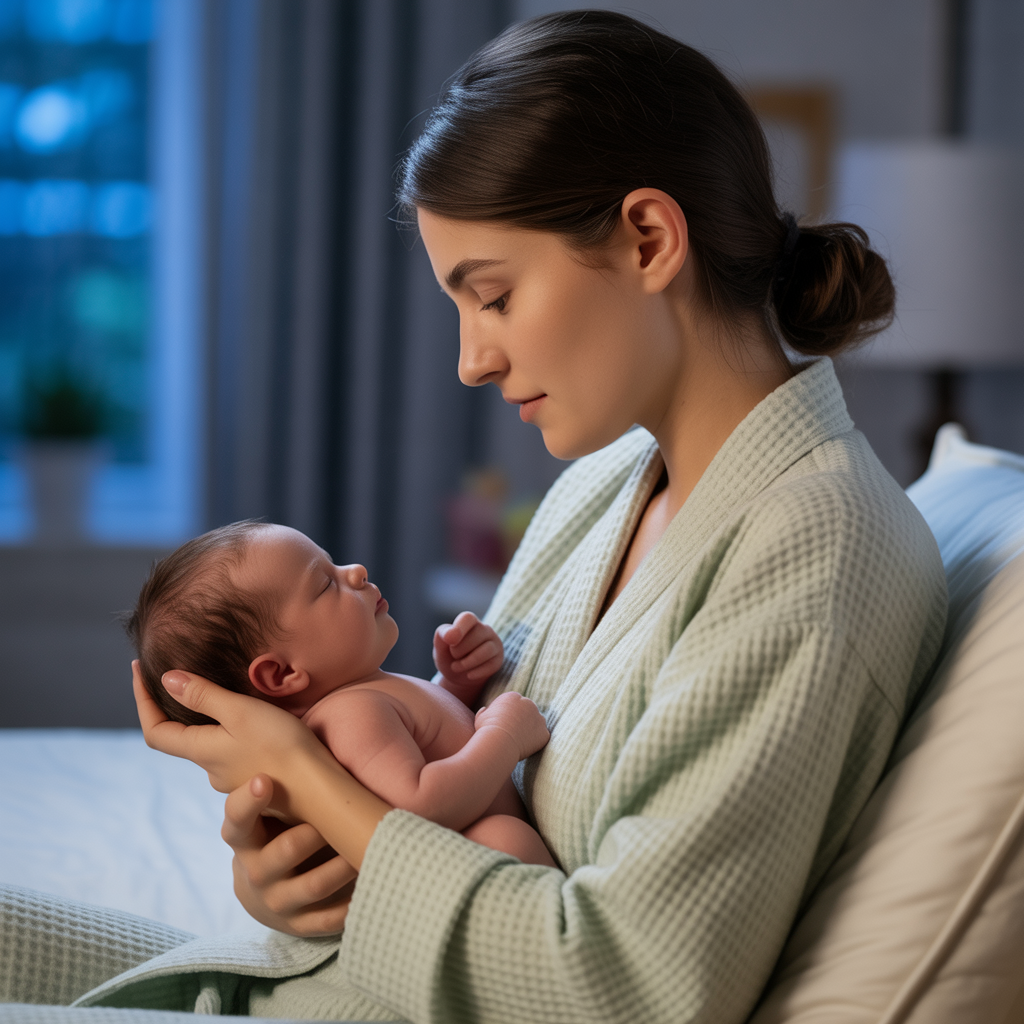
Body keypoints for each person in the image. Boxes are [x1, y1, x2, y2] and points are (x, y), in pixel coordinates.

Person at [0, 11, 947, 1024]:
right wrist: (281, 876)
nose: (471, 360)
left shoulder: (816, 553)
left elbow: (617, 987)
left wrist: (290, 766)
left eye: (490, 296)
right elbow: (432, 771)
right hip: (337, 970)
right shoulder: (609, 481)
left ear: (648, 238)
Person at [124, 519, 554, 867]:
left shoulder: (362, 696)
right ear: (281, 673)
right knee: (504, 840)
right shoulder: (352, 714)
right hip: (449, 876)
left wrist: (458, 682)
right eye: (326, 584)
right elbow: (422, 808)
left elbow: (430, 745)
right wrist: (505, 738)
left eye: (334, 565)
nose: (356, 572)